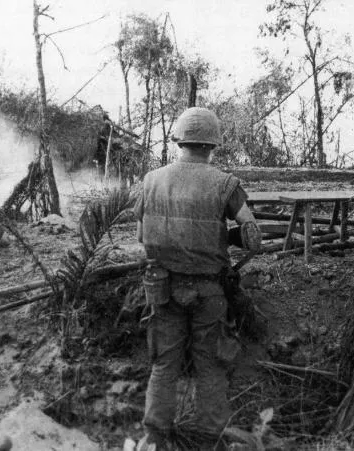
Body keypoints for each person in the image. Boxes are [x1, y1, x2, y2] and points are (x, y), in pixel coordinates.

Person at [133, 107, 261, 449]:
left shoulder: (151, 180)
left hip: (162, 289)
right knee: (211, 366)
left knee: (164, 365)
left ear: (179, 141)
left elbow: (141, 236)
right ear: (212, 145)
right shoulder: (225, 184)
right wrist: (225, 237)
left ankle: (154, 438)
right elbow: (252, 236)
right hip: (209, 292)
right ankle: (207, 440)